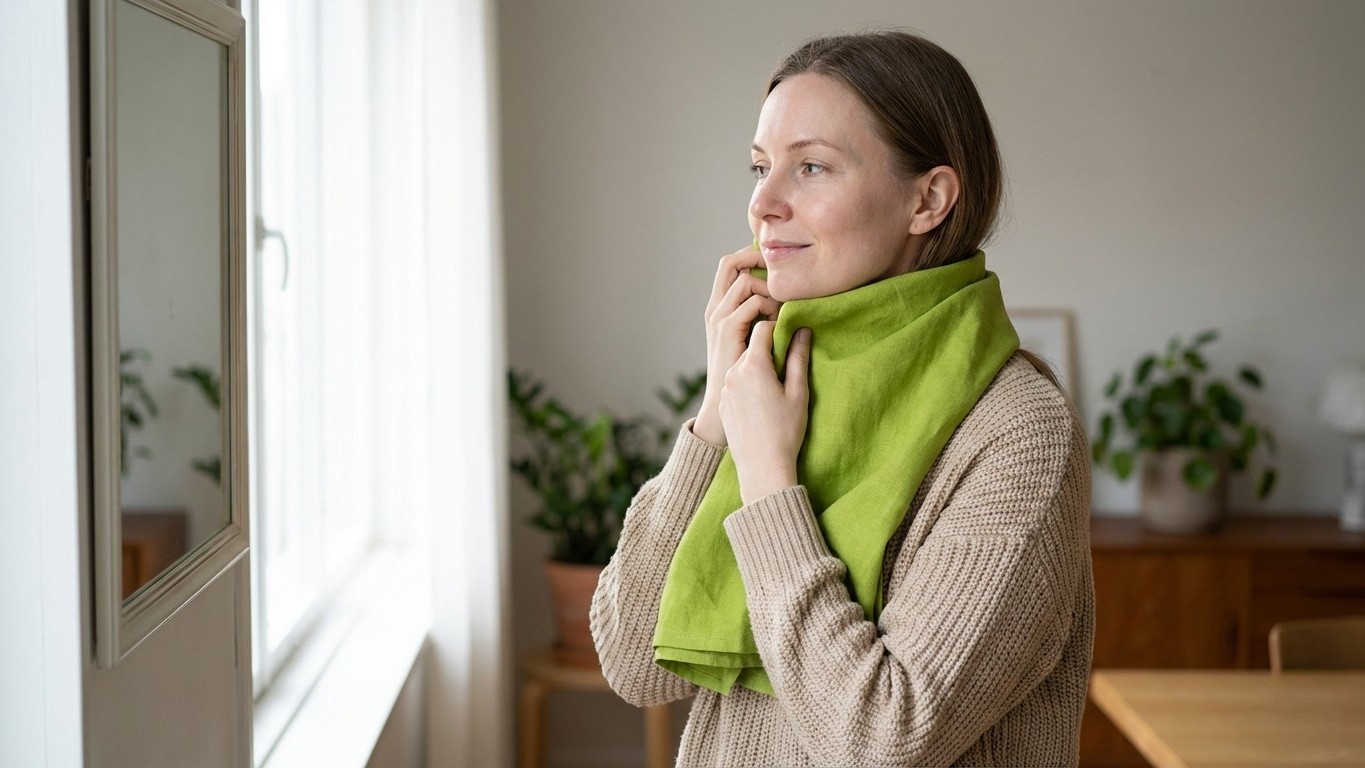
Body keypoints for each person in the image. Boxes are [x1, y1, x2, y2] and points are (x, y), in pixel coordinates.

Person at [591, 30, 1093, 767]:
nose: (763, 203)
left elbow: (881, 739)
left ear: (927, 199)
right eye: (760, 167)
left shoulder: (1017, 430)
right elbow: (633, 662)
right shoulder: (774, 382)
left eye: (812, 167)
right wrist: (714, 419)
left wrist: (768, 479)